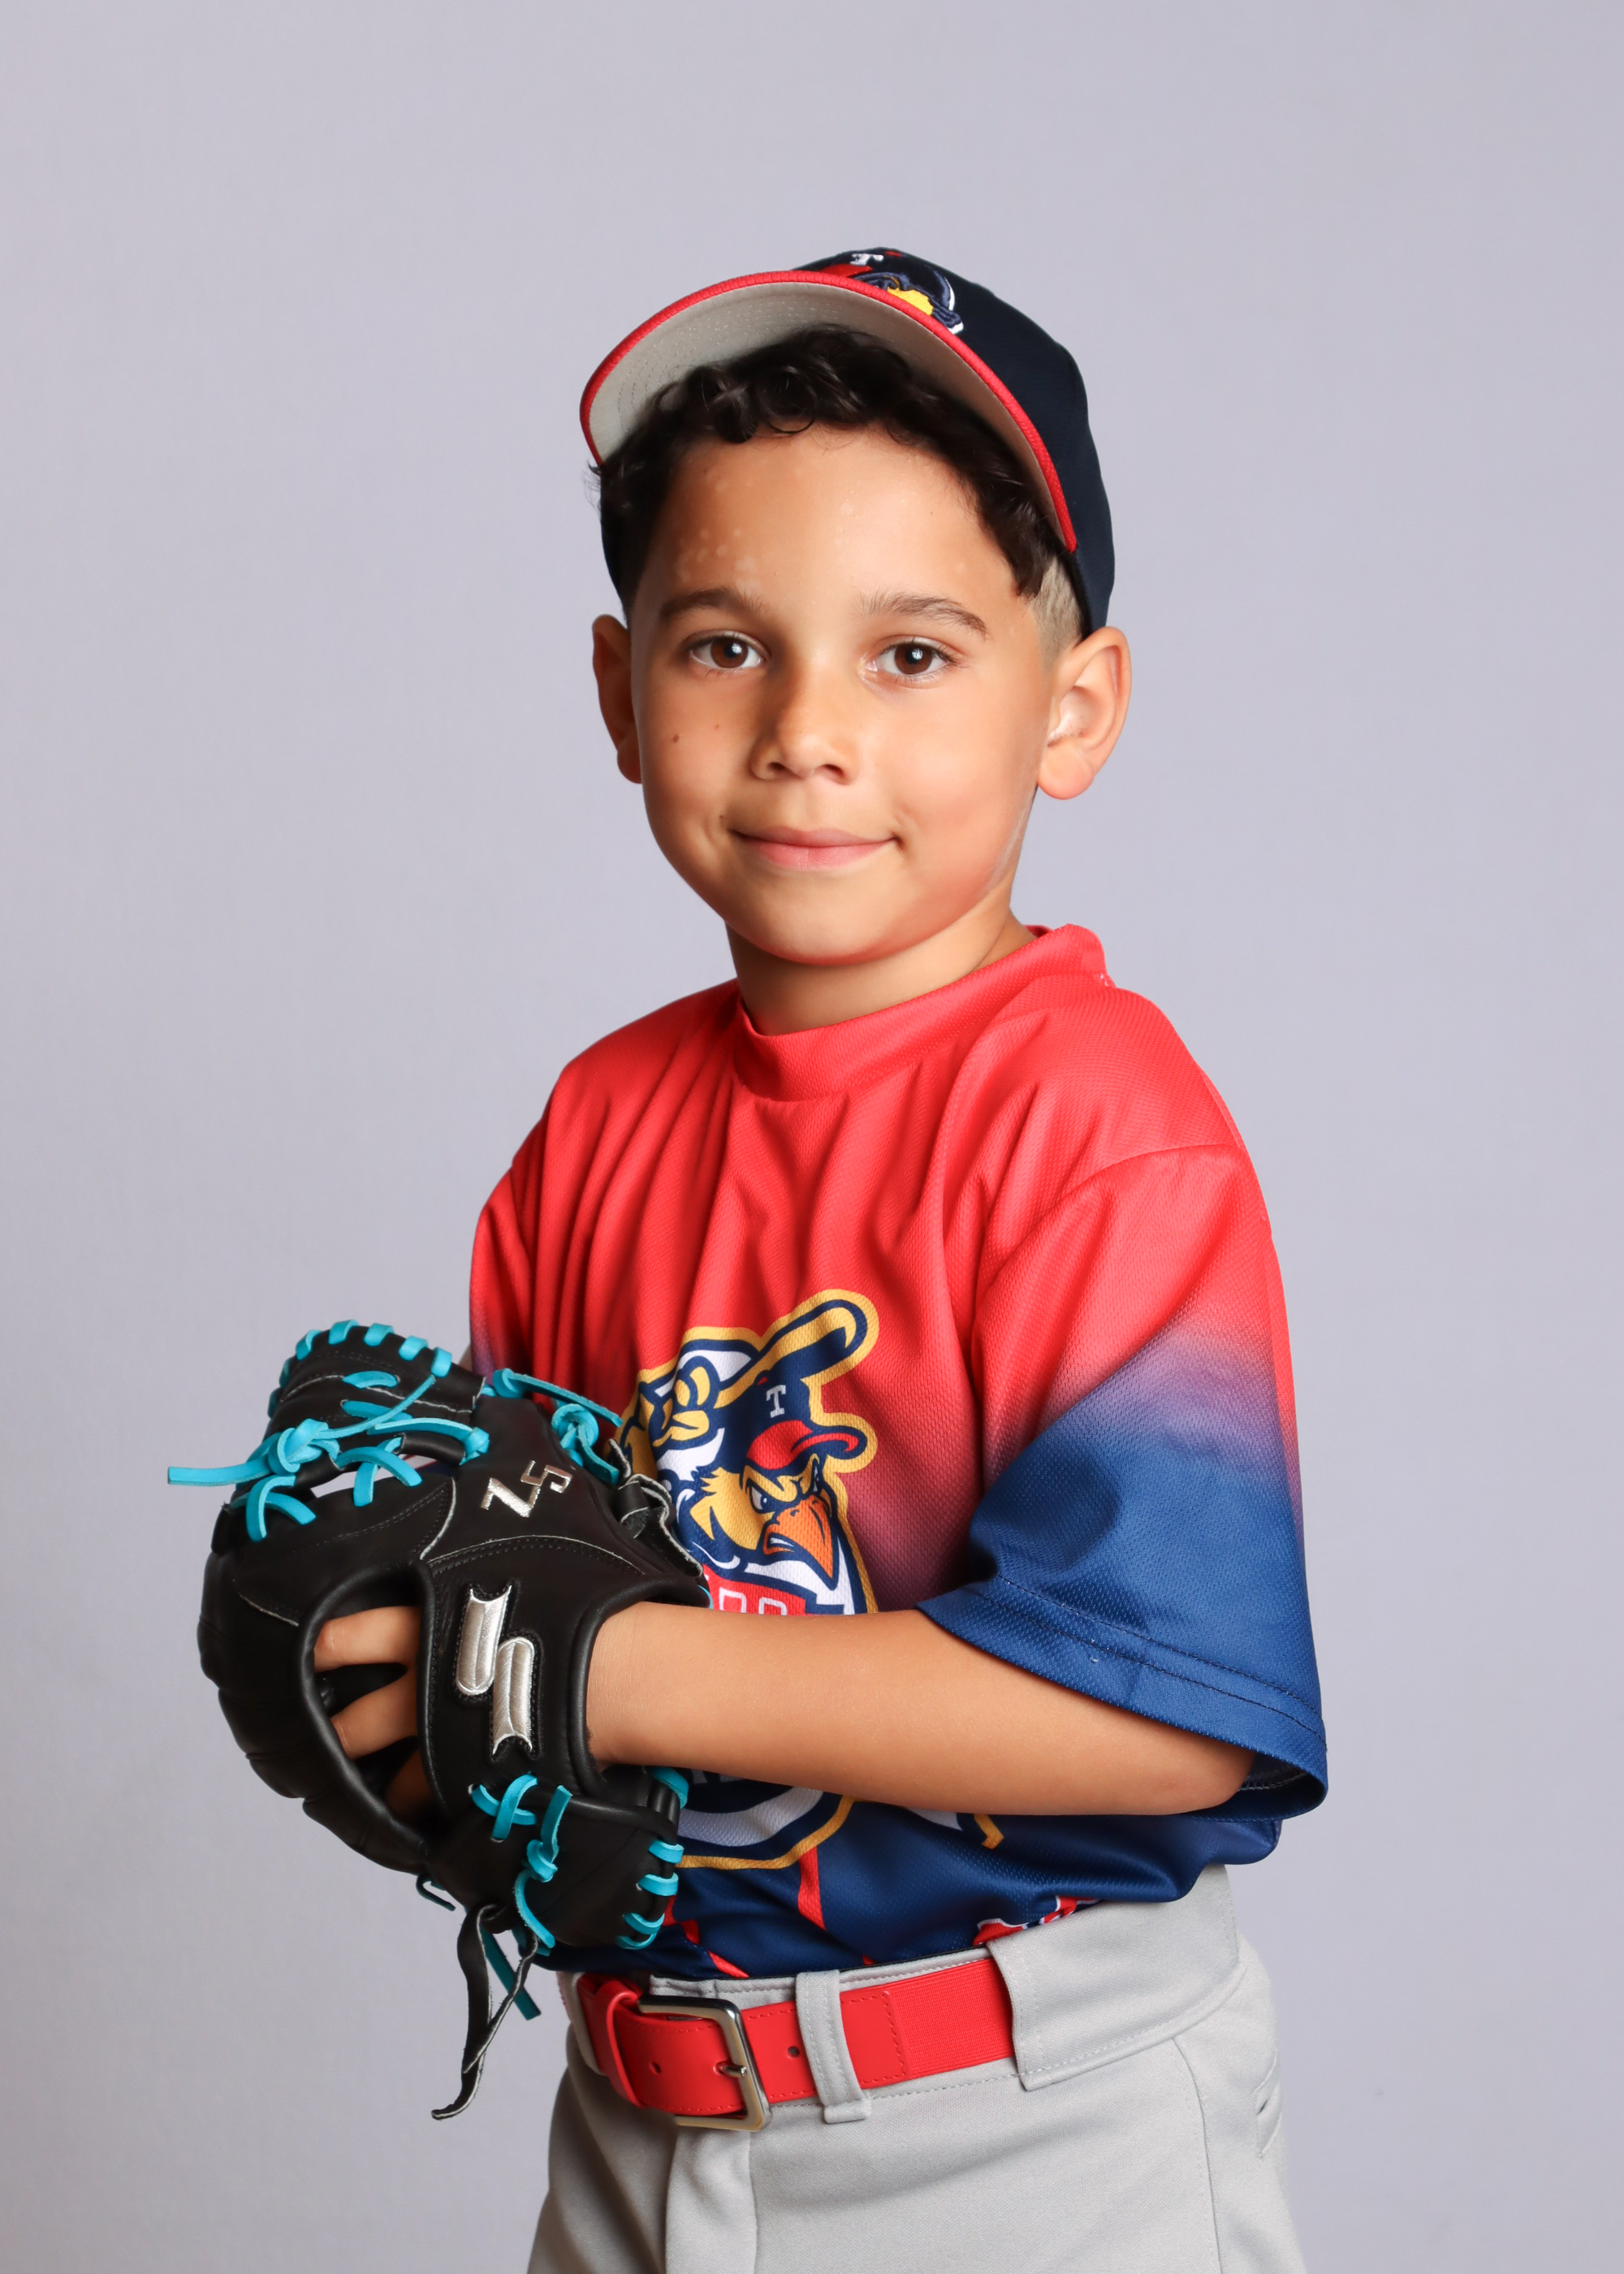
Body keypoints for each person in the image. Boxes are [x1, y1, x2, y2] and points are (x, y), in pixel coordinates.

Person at [318, 249, 1325, 2272]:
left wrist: (601, 1674)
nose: (806, 731)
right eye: (724, 645)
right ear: (619, 694)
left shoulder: (1096, 1123)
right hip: (643, 2109)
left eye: (912, 653)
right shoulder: (598, 1125)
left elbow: (1162, 1713)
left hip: (1028, 2124)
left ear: (1073, 706)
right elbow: (524, 1591)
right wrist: (398, 1681)